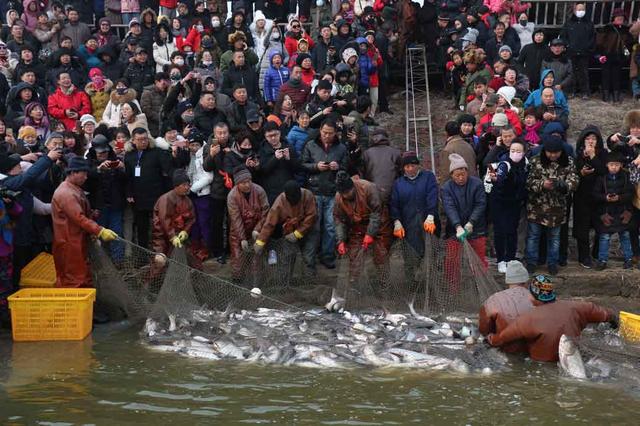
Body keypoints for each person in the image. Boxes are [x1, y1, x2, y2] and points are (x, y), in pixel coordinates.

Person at [487, 276, 617, 362]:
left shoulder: (528, 319)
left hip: (543, 366)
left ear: (532, 296)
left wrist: (489, 339)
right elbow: (607, 315)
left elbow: (500, 339)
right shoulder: (578, 307)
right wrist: (614, 323)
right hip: (575, 361)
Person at [51, 157, 118, 287]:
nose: (86, 177)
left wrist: (91, 214)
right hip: (70, 243)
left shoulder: (74, 188)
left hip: (77, 240)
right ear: (73, 173)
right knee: (74, 280)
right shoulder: (66, 193)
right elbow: (79, 218)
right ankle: (74, 307)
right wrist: (100, 230)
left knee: (82, 276)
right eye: (84, 174)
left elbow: (79, 214)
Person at [525, 135, 579, 275]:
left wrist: (564, 186)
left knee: (554, 238)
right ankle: (531, 262)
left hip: (557, 209)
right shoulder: (535, 161)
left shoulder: (568, 162)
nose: (553, 155)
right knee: (533, 236)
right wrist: (542, 184)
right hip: (536, 207)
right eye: (550, 152)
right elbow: (528, 181)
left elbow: (574, 180)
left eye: (556, 152)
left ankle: (552, 263)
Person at [300, 120, 348, 269]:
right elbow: (302, 164)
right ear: (320, 130)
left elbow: (346, 168)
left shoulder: (341, 148)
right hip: (314, 191)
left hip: (333, 191)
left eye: (330, 133)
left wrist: (338, 167)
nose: (327, 136)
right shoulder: (310, 145)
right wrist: (316, 166)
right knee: (314, 226)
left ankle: (327, 255)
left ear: (335, 133)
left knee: (330, 226)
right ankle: (310, 258)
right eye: (324, 132)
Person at [334, 171, 391, 279]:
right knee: (354, 255)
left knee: (381, 255)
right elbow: (339, 220)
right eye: (343, 193)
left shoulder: (369, 188)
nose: (346, 195)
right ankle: (354, 285)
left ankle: (384, 284)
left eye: (348, 192)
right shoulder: (338, 198)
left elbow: (376, 213)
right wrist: (341, 240)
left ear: (353, 187)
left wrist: (370, 234)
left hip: (380, 224)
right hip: (358, 226)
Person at [254, 180, 318, 276]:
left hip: (309, 230)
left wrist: (297, 234)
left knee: (308, 256)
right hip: (290, 231)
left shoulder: (308, 195)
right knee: (287, 257)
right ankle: (284, 281)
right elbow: (270, 223)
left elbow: (311, 217)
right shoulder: (279, 202)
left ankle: (309, 279)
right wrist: (260, 242)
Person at [442, 153, 488, 285]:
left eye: (463, 174)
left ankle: (480, 285)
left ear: (467, 172)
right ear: (452, 175)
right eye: (457, 175)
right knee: (451, 261)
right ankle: (452, 288)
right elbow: (449, 207)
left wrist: (471, 222)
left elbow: (481, 204)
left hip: (476, 228)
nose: (461, 178)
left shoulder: (477, 184)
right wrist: (457, 226)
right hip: (454, 230)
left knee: (479, 260)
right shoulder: (446, 188)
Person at [124, 127, 173, 249]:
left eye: (145, 139)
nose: (143, 142)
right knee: (141, 228)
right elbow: (128, 177)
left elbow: (167, 170)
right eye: (140, 140)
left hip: (156, 195)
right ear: (133, 141)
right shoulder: (129, 156)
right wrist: (129, 193)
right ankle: (143, 253)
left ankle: (162, 251)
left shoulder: (156, 152)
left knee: (159, 226)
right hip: (138, 197)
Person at [488, 139, 528, 273]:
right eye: (513, 150)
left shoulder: (525, 164)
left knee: (512, 232)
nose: (515, 153)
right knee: (500, 231)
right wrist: (496, 179)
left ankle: (510, 259)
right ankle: (501, 260)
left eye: (518, 151)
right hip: (499, 202)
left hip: (515, 203)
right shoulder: (504, 164)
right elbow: (498, 176)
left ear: (523, 152)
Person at [478, 261, 535, 353]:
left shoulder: (494, 300)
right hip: (532, 350)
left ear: (508, 281)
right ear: (526, 280)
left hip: (503, 349)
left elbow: (484, 330)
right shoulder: (538, 300)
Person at [390, 151, 439, 257]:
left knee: (431, 254)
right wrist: (397, 221)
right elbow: (394, 205)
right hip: (409, 225)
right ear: (403, 168)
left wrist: (431, 215)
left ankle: (430, 272)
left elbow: (432, 196)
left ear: (418, 165)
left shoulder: (428, 177)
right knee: (411, 257)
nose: (410, 169)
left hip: (428, 222)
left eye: (413, 165)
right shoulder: (398, 183)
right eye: (407, 166)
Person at [593, 151, 635, 270]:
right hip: (607, 212)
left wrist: (620, 198)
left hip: (623, 211)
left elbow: (630, 193)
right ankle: (602, 260)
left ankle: (629, 259)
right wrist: (605, 198)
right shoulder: (602, 179)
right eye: (612, 165)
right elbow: (595, 194)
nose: (614, 167)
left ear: (621, 165)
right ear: (607, 165)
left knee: (625, 236)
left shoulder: (626, 177)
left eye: (617, 165)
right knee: (604, 237)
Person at [573, 126, 607, 268]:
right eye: (588, 138)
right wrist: (582, 172)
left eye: (593, 138)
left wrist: (593, 156)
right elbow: (574, 174)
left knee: (601, 227)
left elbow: (603, 171)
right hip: (582, 196)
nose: (591, 141)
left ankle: (597, 254)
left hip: (599, 196)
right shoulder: (578, 154)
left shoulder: (603, 153)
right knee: (583, 228)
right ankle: (584, 257)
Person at [226, 166, 269, 279]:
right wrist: (242, 238)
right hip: (238, 230)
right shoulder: (232, 196)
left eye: (249, 181)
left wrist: (257, 229)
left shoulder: (259, 190)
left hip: (256, 228)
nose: (247, 184)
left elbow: (266, 212)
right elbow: (236, 219)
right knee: (238, 259)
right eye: (243, 182)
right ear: (237, 183)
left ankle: (257, 280)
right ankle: (237, 279)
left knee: (256, 259)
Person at [151, 169, 196, 258]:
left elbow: (191, 218)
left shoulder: (188, 201)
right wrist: (172, 236)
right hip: (162, 236)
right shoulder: (166, 199)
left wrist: (185, 231)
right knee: (160, 260)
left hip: (179, 235)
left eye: (188, 185)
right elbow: (164, 219)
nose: (187, 187)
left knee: (191, 258)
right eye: (184, 185)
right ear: (176, 186)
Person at [596, 8, 633, 103]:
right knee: (606, 76)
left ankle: (616, 96)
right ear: (614, 17)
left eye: (622, 17)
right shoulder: (606, 28)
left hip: (619, 56)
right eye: (618, 17)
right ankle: (606, 96)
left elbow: (629, 43)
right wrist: (600, 55)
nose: (620, 18)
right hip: (607, 55)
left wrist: (625, 54)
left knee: (617, 76)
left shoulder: (625, 30)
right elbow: (599, 43)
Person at [561, 3, 595, 98]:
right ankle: (571, 91)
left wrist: (588, 47)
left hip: (584, 52)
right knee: (571, 72)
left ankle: (585, 92)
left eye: (582, 9)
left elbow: (592, 37)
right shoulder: (569, 23)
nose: (581, 11)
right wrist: (568, 46)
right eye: (579, 9)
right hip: (571, 52)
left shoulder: (589, 23)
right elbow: (564, 36)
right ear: (575, 10)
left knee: (584, 73)